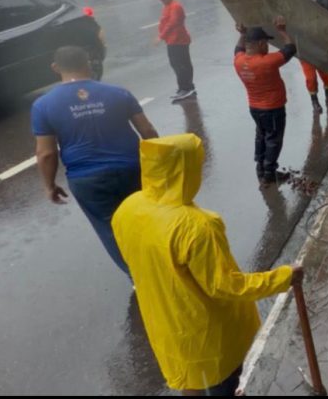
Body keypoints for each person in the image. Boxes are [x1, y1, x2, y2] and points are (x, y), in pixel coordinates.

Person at [112, 133, 303, 396]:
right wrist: (283, 277)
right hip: (210, 336)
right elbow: (225, 286)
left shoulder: (128, 209)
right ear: (185, 169)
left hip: (166, 327)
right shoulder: (196, 226)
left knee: (189, 381)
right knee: (222, 384)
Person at [31, 46, 159, 276]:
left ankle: (139, 277)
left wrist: (49, 185)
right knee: (145, 219)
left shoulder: (43, 105)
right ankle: (164, 267)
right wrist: (158, 165)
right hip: (132, 168)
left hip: (87, 179)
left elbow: (46, 154)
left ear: (55, 68)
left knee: (110, 229)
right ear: (88, 63)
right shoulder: (119, 93)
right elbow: (147, 130)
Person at [233, 17, 297, 187]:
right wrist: (282, 30)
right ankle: (269, 173)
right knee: (273, 140)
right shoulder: (267, 61)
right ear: (261, 43)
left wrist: (242, 34)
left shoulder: (239, 61)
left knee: (261, 136)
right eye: (267, 43)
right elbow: (291, 48)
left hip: (254, 108)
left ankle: (260, 167)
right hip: (272, 109)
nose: (268, 46)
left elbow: (238, 48)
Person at [156, 0, 196, 102]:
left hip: (178, 41)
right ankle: (186, 87)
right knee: (178, 64)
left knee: (180, 65)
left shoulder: (175, 6)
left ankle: (186, 88)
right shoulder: (167, 6)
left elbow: (172, 23)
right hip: (172, 41)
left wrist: (160, 36)